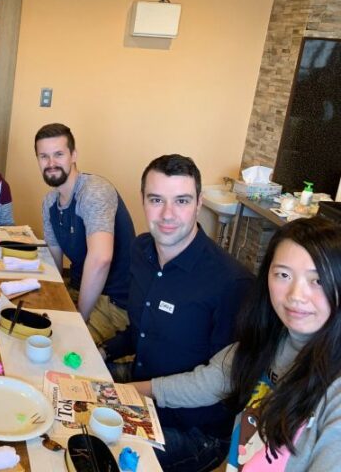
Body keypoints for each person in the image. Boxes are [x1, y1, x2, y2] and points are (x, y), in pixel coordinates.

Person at [133, 217, 341, 472]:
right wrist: (126, 392)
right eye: (283, 275)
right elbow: (208, 381)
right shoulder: (272, 339)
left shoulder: (336, 391)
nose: (296, 296)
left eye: (317, 280)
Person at [101, 154, 253, 471]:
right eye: (156, 200)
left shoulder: (231, 283)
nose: (167, 214)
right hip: (142, 385)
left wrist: (128, 393)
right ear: (143, 201)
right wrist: (102, 351)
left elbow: (222, 384)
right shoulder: (141, 250)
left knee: (98, 455)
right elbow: (142, 330)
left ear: (199, 204)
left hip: (194, 429)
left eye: (181, 201)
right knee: (62, 389)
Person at [35, 123, 135, 344]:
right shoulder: (49, 202)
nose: (51, 163)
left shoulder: (94, 191)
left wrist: (78, 317)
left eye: (58, 154)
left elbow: (101, 259)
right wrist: (50, 299)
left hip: (114, 302)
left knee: (62, 346)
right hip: (78, 289)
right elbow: (53, 262)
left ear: (73, 155)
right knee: (28, 324)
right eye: (44, 156)